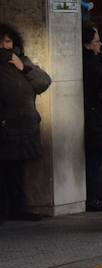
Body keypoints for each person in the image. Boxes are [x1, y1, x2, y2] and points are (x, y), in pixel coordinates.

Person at [0, 23, 52, 223]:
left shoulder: (21, 61)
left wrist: (24, 68)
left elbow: (43, 82)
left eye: (7, 41)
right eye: (1, 42)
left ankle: (18, 207)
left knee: (17, 170)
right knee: (6, 170)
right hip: (7, 125)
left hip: (25, 126)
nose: (4, 46)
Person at [81, 22, 102, 212]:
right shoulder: (93, 66)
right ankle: (93, 197)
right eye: (97, 41)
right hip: (95, 118)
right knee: (94, 160)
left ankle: (94, 195)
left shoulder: (96, 62)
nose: (100, 44)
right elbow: (100, 91)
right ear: (87, 44)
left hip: (95, 117)